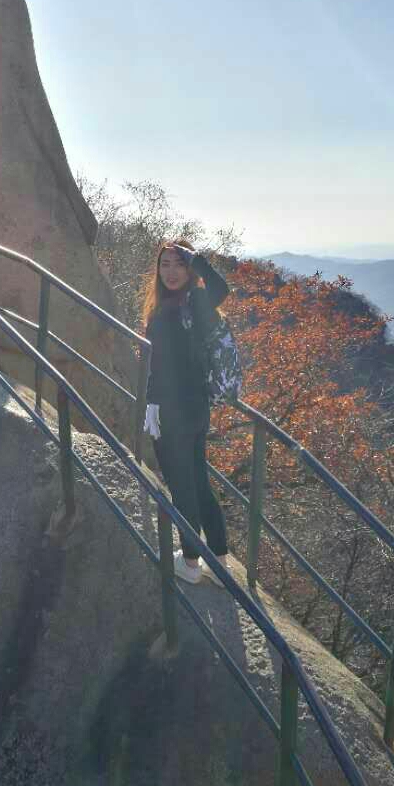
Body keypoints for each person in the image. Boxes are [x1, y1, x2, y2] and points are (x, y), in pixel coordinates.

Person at [141, 240, 231, 585]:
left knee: (182, 486)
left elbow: (221, 288)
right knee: (197, 482)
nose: (172, 272)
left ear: (190, 269)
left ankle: (191, 562)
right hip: (192, 408)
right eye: (165, 264)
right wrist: (151, 400)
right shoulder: (169, 305)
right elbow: (158, 366)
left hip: (175, 411)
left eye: (180, 264)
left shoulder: (193, 302)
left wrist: (199, 260)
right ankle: (219, 561)